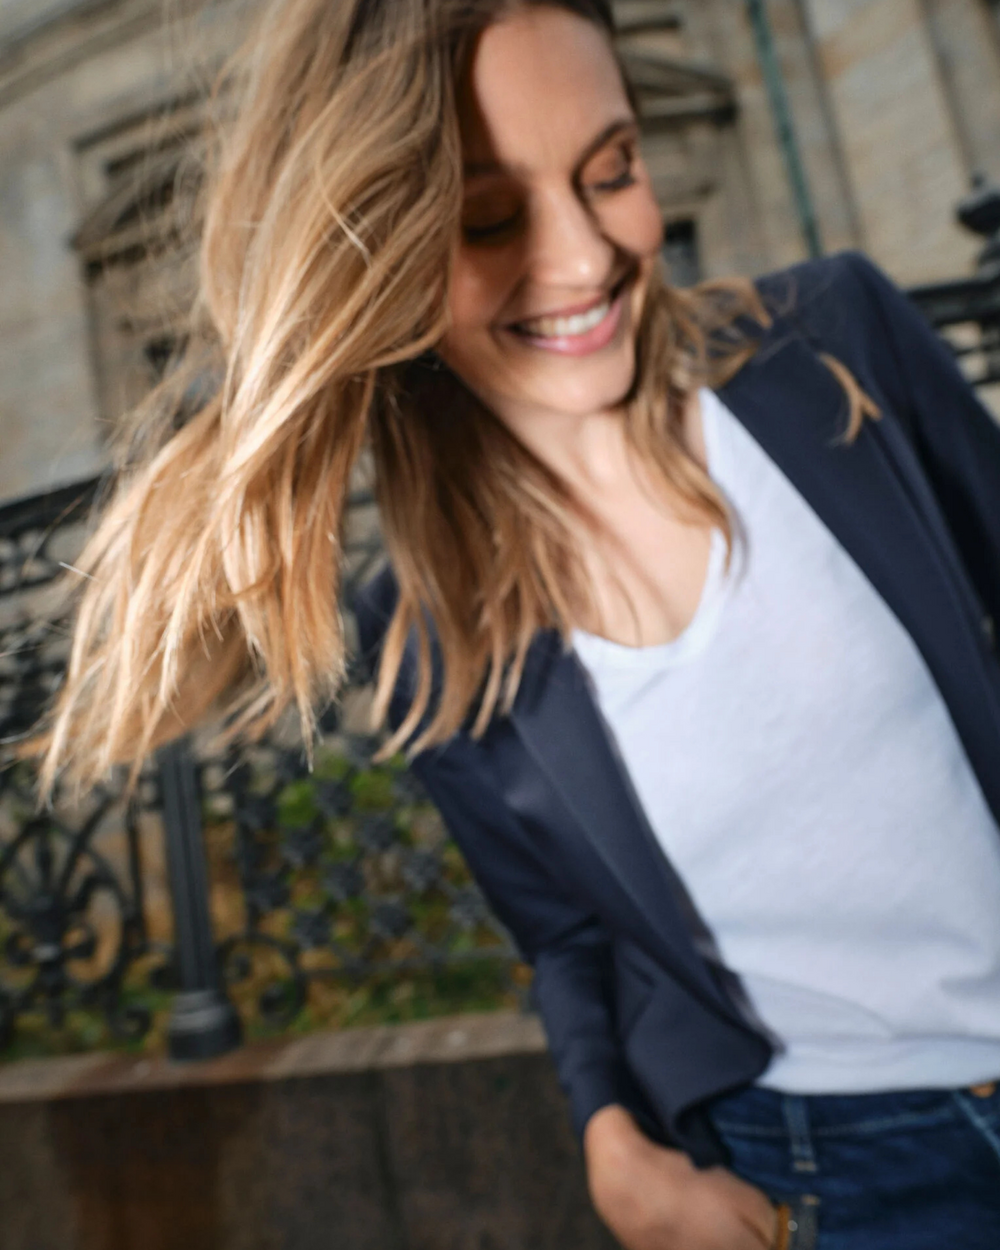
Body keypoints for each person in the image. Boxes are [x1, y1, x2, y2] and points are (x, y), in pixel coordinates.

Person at [37, 0, 1000, 1244]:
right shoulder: (423, 637)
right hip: (837, 1167)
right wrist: (610, 1138)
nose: (588, 257)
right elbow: (566, 938)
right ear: (384, 259)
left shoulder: (833, 342)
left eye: (614, 169)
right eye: (490, 219)